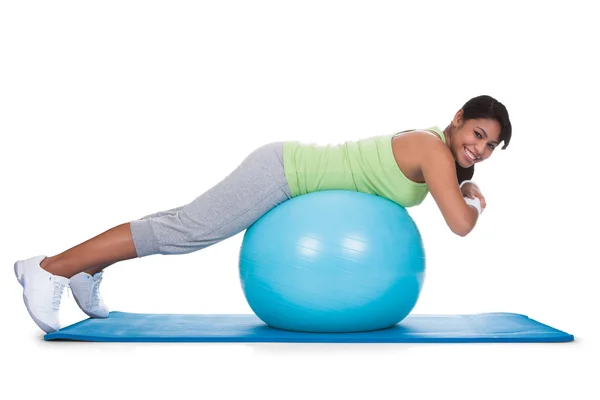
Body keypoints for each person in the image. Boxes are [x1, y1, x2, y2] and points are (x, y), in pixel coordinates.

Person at [14, 94, 512, 333]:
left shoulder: (437, 149)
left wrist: (467, 180)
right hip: (283, 172)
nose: (480, 148)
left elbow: (449, 178)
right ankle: (48, 268)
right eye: (477, 135)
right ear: (457, 119)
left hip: (289, 170)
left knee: (179, 222)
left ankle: (86, 269)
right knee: (184, 231)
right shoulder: (431, 147)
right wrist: (473, 198)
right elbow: (460, 225)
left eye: (491, 147)